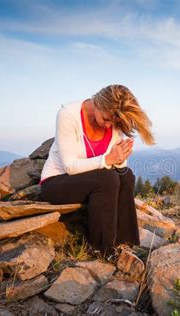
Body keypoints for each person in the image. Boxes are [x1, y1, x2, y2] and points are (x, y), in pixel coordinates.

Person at [39, 84, 155, 257]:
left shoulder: (114, 123)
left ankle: (124, 242)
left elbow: (117, 169)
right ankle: (101, 249)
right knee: (106, 179)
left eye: (113, 122)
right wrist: (108, 159)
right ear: (98, 103)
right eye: (106, 119)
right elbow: (70, 166)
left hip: (89, 181)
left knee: (127, 176)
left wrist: (120, 159)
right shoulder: (68, 115)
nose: (109, 126)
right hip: (56, 183)